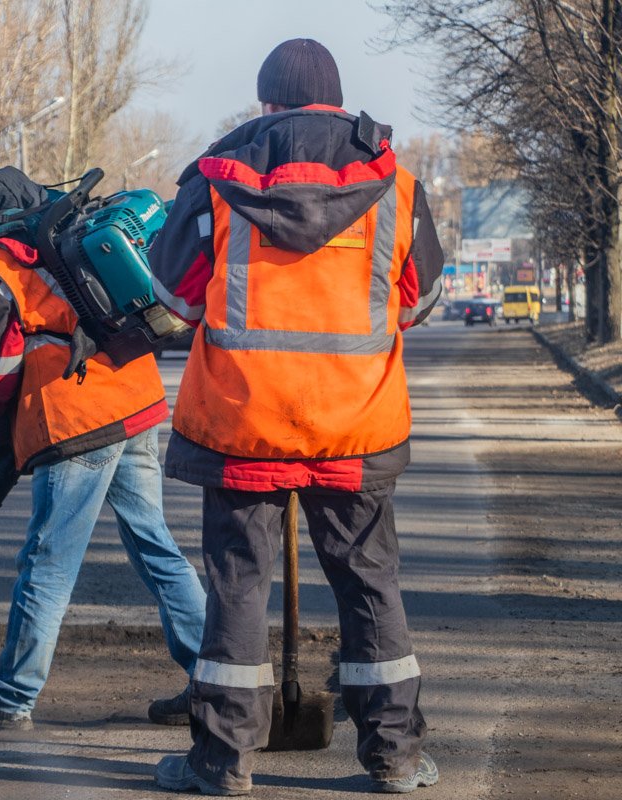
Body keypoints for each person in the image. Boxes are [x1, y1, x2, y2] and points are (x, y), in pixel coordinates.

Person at [147, 39, 443, 795]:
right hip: (356, 425)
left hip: (244, 424)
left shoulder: (217, 183)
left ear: (267, 104)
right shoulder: (396, 186)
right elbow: (419, 300)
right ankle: (395, 757)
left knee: (237, 589)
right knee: (371, 587)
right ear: (338, 102)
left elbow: (176, 299)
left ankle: (222, 762)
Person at [0, 155, 206, 731]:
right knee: (154, 545)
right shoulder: (41, 211)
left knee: (48, 559)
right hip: (131, 393)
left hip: (76, 413)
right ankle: (213, 679)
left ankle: (10, 698)